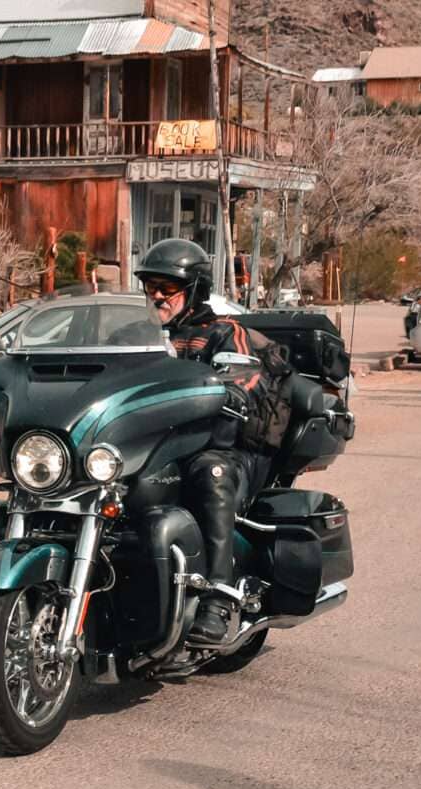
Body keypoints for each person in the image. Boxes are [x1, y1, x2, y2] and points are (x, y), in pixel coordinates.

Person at [135, 238, 290, 646]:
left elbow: (247, 378)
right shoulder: (136, 337)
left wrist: (233, 388)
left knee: (210, 474)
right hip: (153, 446)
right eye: (149, 286)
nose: (155, 295)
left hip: (221, 446)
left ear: (195, 289)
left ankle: (219, 598)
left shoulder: (224, 332)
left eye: (166, 288)